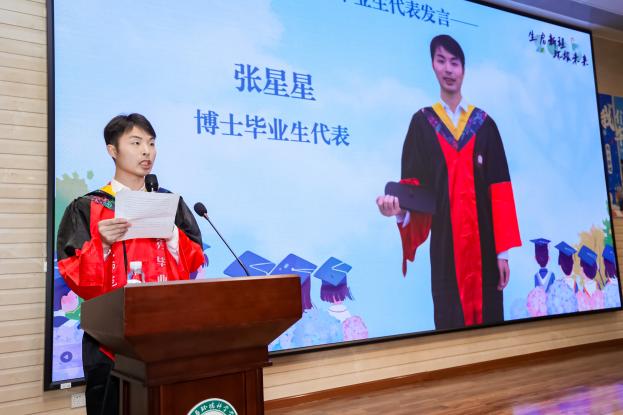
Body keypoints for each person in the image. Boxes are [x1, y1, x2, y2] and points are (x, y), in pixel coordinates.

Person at [56, 113, 205, 415]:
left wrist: (173, 234)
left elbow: (194, 261)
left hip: (168, 335)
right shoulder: (88, 207)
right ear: (112, 150)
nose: (146, 151)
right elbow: (74, 276)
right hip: (110, 344)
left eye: (151, 143)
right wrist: (102, 244)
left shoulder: (171, 204)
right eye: (136, 143)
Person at [376, 34, 521, 330]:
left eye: (454, 62)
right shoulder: (422, 124)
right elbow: (416, 193)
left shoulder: (485, 125)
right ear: (433, 65)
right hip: (446, 249)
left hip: (485, 248)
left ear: (463, 69)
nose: (448, 69)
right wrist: (400, 211)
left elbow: (500, 191)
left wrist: (502, 254)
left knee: (491, 326)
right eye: (441, 61)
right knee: (450, 324)